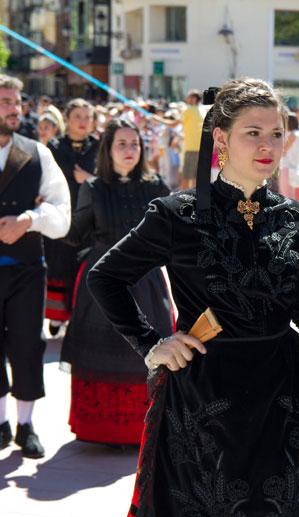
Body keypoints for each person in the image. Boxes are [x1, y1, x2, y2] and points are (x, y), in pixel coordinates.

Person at [88, 78, 299, 517]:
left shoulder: (295, 217)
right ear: (221, 138)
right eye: (252, 133)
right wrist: (152, 344)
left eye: (276, 133)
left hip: (284, 394)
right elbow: (105, 277)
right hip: (206, 396)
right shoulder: (175, 214)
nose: (267, 145)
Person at [60, 119, 172, 445]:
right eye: (121, 144)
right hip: (103, 282)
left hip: (146, 281)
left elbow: (173, 233)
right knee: (100, 352)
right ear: (108, 150)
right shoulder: (93, 188)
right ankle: (103, 429)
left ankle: (143, 429)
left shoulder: (155, 187)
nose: (129, 150)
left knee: (147, 351)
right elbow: (75, 234)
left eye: (134, 144)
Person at [0, 74, 70, 458]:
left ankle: (25, 426)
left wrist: (29, 219)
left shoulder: (37, 153)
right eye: (5, 102)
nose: (15, 109)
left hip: (27, 268)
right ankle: (0, 423)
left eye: (16, 101)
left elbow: (62, 216)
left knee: (27, 344)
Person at [46, 98, 99, 334]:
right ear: (67, 119)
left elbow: (107, 178)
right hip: (62, 216)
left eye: (87, 117)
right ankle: (57, 316)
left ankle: (79, 316)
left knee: (84, 267)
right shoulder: (55, 146)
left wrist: (89, 179)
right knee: (60, 264)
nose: (82, 121)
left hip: (90, 218)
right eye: (77, 116)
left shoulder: (98, 147)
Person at [278, 112, 299, 202]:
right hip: (296, 167)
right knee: (296, 195)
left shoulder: (291, 135)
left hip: (287, 168)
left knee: (286, 195)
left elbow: (283, 151)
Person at [179, 89, 204, 189]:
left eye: (189, 97)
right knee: (195, 178)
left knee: (186, 178)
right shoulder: (201, 111)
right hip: (200, 149)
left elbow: (173, 124)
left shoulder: (189, 110)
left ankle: (181, 198)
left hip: (191, 150)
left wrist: (157, 119)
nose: (187, 98)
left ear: (194, 99)